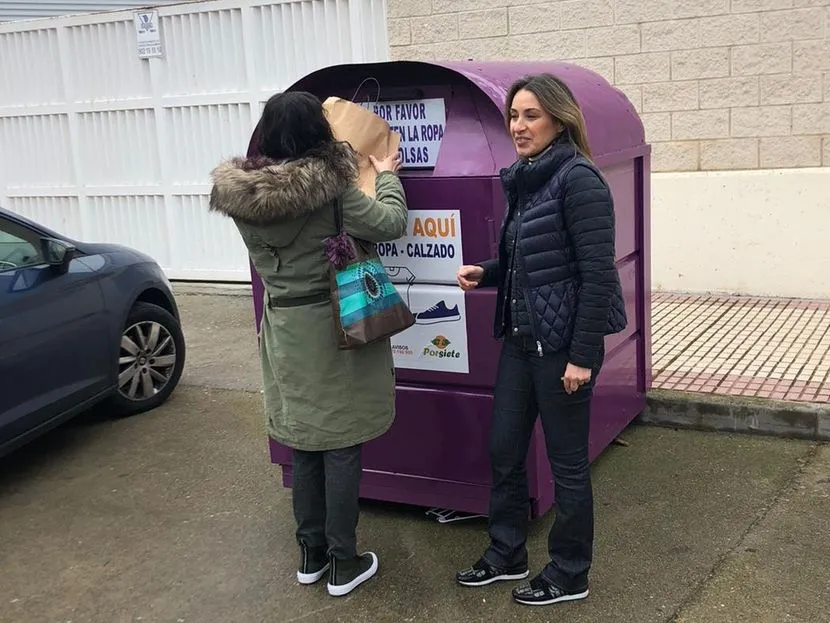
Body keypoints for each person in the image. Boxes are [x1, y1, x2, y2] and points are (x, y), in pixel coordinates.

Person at [208, 91, 407, 597]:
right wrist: (386, 175)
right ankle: (344, 561)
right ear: (318, 134)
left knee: (304, 442)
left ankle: (310, 553)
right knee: (340, 442)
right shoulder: (330, 192)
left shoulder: (242, 200)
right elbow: (390, 224)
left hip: (283, 327)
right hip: (332, 325)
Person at [454, 74, 626, 606]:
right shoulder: (528, 178)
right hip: (522, 343)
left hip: (561, 351)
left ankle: (570, 572)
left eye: (531, 115)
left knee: (567, 464)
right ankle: (506, 553)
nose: (519, 126)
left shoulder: (579, 180)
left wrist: (582, 357)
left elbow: (598, 274)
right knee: (504, 449)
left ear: (559, 117)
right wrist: (487, 271)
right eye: (513, 116)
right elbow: (531, 260)